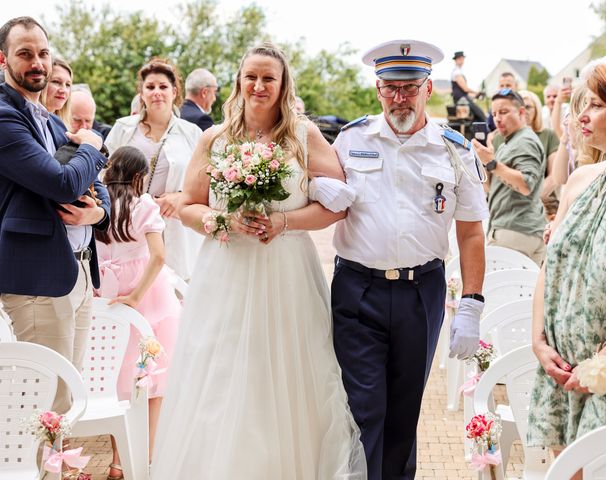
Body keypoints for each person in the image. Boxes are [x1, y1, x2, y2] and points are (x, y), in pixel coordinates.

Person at [151, 42, 366, 479]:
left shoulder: (303, 136)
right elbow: (190, 205)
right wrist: (220, 222)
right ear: (238, 82)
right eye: (251, 76)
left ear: (283, 84)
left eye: (269, 77)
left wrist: (283, 221)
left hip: (286, 271)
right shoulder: (215, 138)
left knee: (287, 370)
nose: (259, 85)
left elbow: (340, 205)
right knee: (224, 371)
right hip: (225, 273)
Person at [332, 39, 489, 480]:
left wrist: (472, 304)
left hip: (421, 291)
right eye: (390, 88)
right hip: (357, 289)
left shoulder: (454, 150)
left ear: (428, 88)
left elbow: (472, 229)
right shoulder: (350, 140)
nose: (399, 98)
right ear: (377, 89)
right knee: (365, 405)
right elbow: (323, 201)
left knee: (404, 408)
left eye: (410, 87)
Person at [527, 57, 606, 480]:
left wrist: (600, 367)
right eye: (582, 105)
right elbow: (549, 267)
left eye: (595, 105)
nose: (581, 115)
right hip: (561, 374)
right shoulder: (580, 181)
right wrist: (539, 342)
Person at [0, 16, 110, 412]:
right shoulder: (4, 115)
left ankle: (60, 472)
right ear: (3, 59)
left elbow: (97, 187)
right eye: (24, 53)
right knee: (46, 402)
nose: (37, 63)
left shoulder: (47, 118)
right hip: (38, 280)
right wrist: (94, 146)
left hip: (76, 270)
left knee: (70, 395)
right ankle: (43, 474)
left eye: (43, 53)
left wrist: (95, 216)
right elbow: (62, 183)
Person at [95, 146, 181, 480]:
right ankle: (146, 459)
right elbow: (158, 256)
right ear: (138, 176)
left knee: (117, 382)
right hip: (146, 294)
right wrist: (137, 295)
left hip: (107, 289)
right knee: (152, 384)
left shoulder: (98, 202)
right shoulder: (143, 203)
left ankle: (117, 461)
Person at [105, 58, 203, 281]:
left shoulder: (192, 133)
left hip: (175, 223)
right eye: (150, 87)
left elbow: (204, 180)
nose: (157, 92)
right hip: (130, 224)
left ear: (174, 91)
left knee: (173, 292)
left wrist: (180, 197)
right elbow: (103, 174)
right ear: (141, 93)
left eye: (163, 86)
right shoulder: (123, 128)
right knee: (134, 287)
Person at [473, 89, 547, 265]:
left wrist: (492, 163)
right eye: (494, 113)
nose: (497, 118)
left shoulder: (525, 141)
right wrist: (483, 162)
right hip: (521, 229)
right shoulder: (511, 141)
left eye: (504, 112)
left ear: (522, 112)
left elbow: (525, 184)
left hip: (514, 231)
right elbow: (491, 187)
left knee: (499, 291)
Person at [492, 90, 560, 210]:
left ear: (537, 109)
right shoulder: (499, 138)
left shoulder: (548, 135)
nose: (524, 111)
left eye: (528, 106)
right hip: (508, 208)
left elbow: (554, 176)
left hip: (544, 203)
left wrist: (530, 200)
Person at [451, 50, 486, 122]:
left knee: (477, 115)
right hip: (461, 100)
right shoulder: (457, 72)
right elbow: (465, 89)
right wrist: (476, 92)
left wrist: (475, 95)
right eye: (460, 59)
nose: (462, 61)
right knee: (481, 115)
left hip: (463, 98)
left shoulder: (459, 72)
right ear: (456, 60)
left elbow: (464, 92)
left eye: (462, 59)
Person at [39, 57, 72, 127]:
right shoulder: (29, 121)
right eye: (56, 82)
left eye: (68, 84)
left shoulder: (63, 126)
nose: (63, 90)